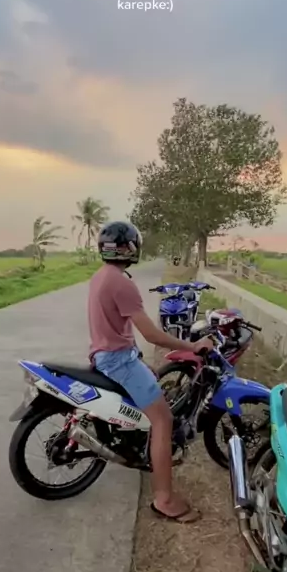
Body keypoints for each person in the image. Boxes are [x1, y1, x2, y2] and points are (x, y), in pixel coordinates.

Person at [88, 221, 213, 524]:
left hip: (107, 354)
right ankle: (164, 499)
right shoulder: (122, 284)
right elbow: (153, 334)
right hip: (118, 361)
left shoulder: (101, 276)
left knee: (153, 382)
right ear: (129, 248)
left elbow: (119, 327)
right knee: (163, 420)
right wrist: (192, 346)